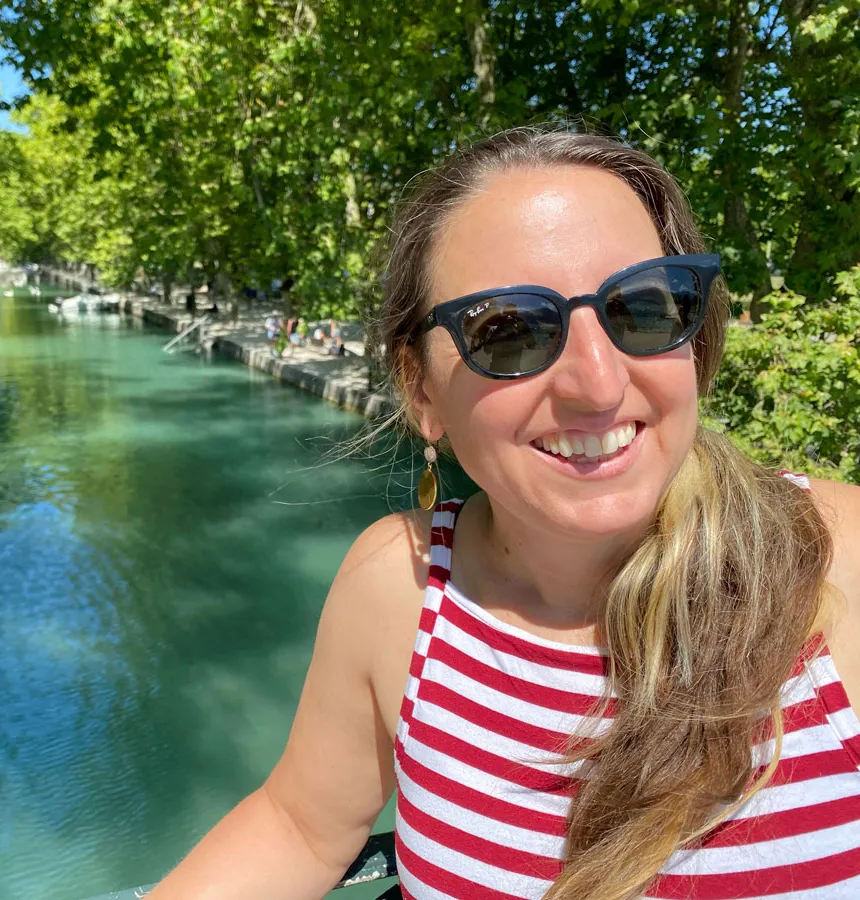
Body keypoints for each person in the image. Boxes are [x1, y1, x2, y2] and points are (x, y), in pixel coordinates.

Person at [147, 127, 860, 899]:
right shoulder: (402, 587)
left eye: (645, 308)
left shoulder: (840, 561)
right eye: (511, 332)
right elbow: (299, 826)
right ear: (422, 390)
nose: (596, 382)